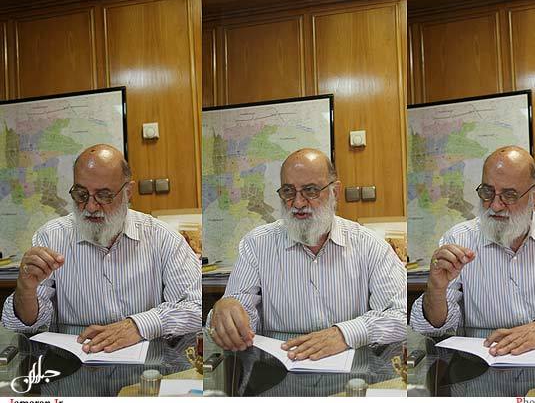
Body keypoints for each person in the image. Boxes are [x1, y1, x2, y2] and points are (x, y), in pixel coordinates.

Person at [207, 148, 407, 360]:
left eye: (310, 191)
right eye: (288, 192)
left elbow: (400, 315)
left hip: (352, 371)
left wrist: (346, 333)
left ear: (335, 192)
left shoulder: (370, 245)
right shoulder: (256, 244)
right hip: (278, 370)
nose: (298, 203)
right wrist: (228, 314)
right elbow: (240, 308)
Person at [410, 145, 535, 356]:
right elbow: (431, 329)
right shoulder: (458, 239)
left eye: (509, 195)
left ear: (534, 195)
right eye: (487, 192)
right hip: (481, 369)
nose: (495, 205)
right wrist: (436, 290)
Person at [1, 144, 201, 353]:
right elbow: (21, 327)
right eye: (81, 194)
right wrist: (25, 290)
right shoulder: (51, 237)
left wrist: (138, 325)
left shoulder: (163, 238)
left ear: (128, 192)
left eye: (104, 195)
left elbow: (196, 307)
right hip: (73, 366)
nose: (90, 206)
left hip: (148, 368)